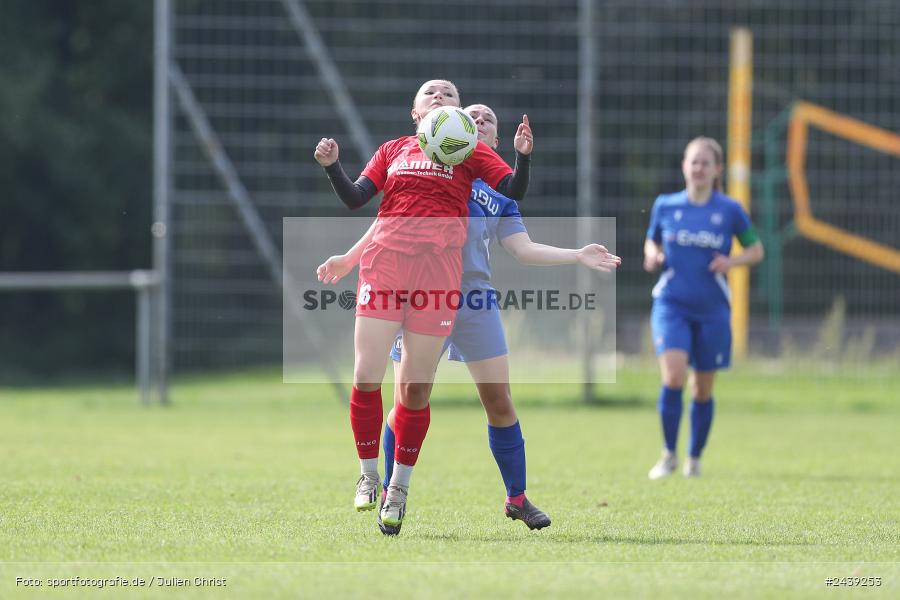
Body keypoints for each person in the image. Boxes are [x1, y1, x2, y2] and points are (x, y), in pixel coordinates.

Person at [318, 103, 620, 533]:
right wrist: (350, 258)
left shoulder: (494, 187)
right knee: (407, 396)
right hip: (412, 289)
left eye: (488, 120)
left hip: (472, 301)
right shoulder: (424, 164)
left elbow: (522, 248)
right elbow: (383, 223)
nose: (478, 120)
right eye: (471, 115)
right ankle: (388, 487)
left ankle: (517, 498)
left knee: (499, 400)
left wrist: (576, 254)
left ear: (494, 142)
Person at [313, 80, 533, 535]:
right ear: (415, 112)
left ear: (459, 112)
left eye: (449, 94)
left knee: (414, 393)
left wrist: (522, 155)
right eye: (430, 92)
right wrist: (333, 168)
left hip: (438, 275)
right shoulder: (394, 149)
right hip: (385, 267)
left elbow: (513, 188)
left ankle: (398, 489)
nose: (439, 96)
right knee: (365, 374)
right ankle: (368, 471)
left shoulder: (470, 153)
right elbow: (357, 198)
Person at [643, 137, 764, 479]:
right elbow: (651, 239)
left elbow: (756, 251)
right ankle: (668, 455)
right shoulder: (665, 205)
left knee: (702, 389)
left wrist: (732, 260)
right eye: (693, 162)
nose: (698, 168)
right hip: (672, 304)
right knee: (674, 376)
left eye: (705, 163)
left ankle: (694, 458)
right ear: (684, 166)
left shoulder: (729, 210)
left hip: (712, 309)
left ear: (717, 170)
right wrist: (652, 254)